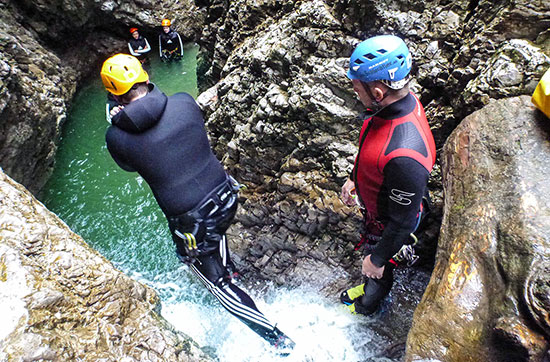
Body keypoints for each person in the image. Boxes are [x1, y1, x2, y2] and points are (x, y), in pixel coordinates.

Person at [99, 54, 294, 351]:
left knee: (218, 286)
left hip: (194, 223)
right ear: (144, 76)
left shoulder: (116, 137)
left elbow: (128, 164)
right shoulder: (183, 101)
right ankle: (230, 271)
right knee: (216, 235)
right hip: (227, 195)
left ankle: (279, 341)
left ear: (113, 95)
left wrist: (119, 121)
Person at [339, 35, 436, 316]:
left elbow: (403, 222)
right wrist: (353, 177)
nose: (356, 94)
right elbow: (372, 147)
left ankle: (367, 306)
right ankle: (371, 284)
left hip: (392, 222)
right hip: (385, 203)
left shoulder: (405, 154)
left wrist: (379, 258)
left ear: (378, 92)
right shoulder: (394, 107)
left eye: (357, 88)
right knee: (373, 261)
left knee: (374, 269)